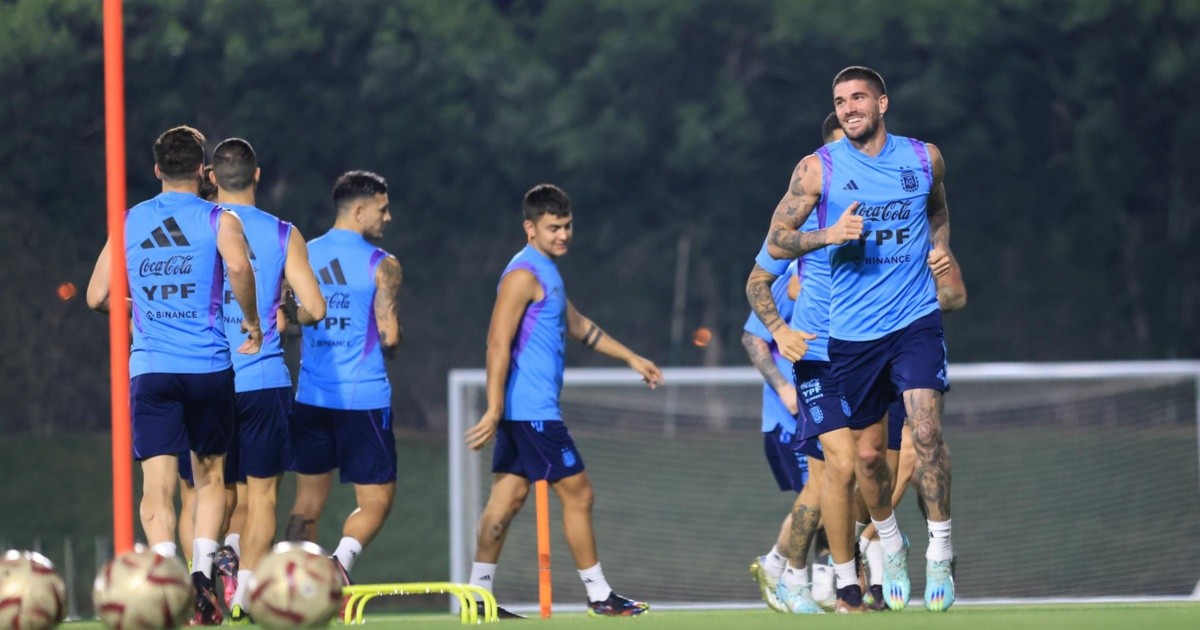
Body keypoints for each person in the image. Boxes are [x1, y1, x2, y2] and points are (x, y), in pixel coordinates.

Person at [752, 66, 957, 612]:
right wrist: (780, 331)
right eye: (840, 103)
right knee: (847, 468)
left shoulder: (919, 160)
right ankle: (829, 566)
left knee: (910, 445)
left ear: (881, 103)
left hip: (902, 326)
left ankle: (911, 550)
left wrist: (942, 256)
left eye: (858, 99)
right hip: (836, 345)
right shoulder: (816, 178)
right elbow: (765, 262)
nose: (848, 110)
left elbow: (937, 209)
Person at [86, 125, 263, 625]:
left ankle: (167, 580)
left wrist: (141, 310)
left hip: (153, 370)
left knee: (157, 487)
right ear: (203, 170)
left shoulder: (128, 222)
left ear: (158, 169)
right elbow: (240, 269)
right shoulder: (218, 217)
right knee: (210, 479)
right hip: (208, 367)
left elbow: (96, 297)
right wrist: (249, 320)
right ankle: (203, 573)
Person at [463, 184, 663, 618]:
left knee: (507, 500)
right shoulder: (523, 275)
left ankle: (478, 599)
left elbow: (579, 325)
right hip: (532, 412)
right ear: (529, 228)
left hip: (527, 413)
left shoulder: (547, 270)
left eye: (567, 225)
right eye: (553, 227)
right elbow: (497, 343)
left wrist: (631, 357)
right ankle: (598, 594)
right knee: (580, 495)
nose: (563, 234)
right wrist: (494, 408)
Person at [208, 138, 327, 622]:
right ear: (257, 176)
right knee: (263, 496)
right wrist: (287, 311)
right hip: (263, 379)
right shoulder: (283, 233)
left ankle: (211, 574)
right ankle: (246, 595)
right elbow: (315, 309)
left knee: (212, 490)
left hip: (209, 376)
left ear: (211, 178)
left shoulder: (201, 224)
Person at [284, 171, 402, 590]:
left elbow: (289, 322)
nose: (387, 217)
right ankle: (340, 562)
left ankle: (294, 588)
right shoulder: (382, 265)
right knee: (377, 502)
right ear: (359, 210)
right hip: (363, 400)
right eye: (382, 209)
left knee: (307, 504)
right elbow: (389, 337)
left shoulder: (302, 254)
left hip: (311, 398)